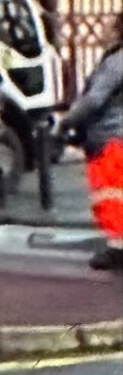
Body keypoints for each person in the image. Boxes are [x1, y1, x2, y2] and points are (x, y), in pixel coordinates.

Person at [58, 15, 123, 271]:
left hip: (110, 136)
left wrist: (67, 121)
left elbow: (94, 100)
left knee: (111, 194)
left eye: (110, 27)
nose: (104, 31)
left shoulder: (116, 62)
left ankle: (117, 248)